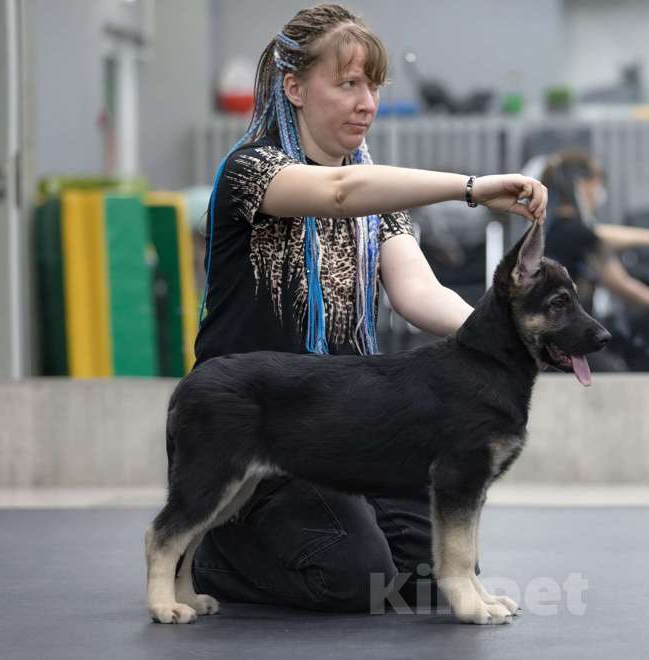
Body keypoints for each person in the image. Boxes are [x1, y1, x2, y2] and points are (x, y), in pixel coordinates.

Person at [188, 4, 547, 614]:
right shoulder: (251, 172)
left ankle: (316, 529)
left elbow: (419, 294)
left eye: (374, 85)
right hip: (262, 426)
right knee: (354, 578)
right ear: (294, 88)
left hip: (351, 426)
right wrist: (468, 187)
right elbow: (336, 193)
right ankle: (216, 549)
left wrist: (508, 340)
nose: (366, 103)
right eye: (348, 83)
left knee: (433, 581)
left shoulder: (374, 193)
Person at [535, 150, 649, 368]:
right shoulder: (566, 228)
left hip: (579, 330)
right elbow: (599, 237)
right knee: (614, 373)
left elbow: (618, 280)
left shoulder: (574, 231)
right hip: (562, 337)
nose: (599, 191)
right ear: (580, 185)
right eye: (596, 183)